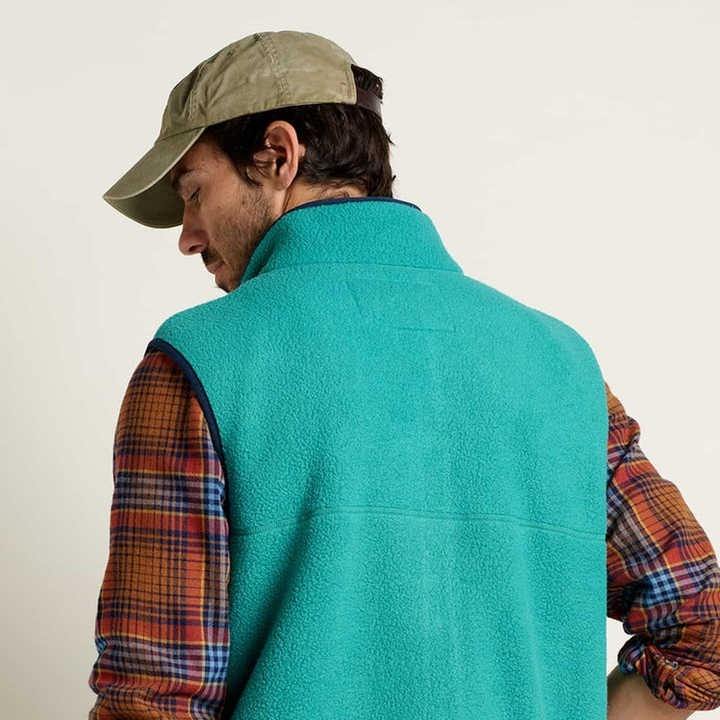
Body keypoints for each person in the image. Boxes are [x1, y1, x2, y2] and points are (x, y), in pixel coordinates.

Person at [88, 31, 720, 719]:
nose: (187, 235)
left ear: (277, 155)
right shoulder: (562, 364)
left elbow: (150, 703)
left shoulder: (196, 361)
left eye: (193, 192)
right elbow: (703, 628)